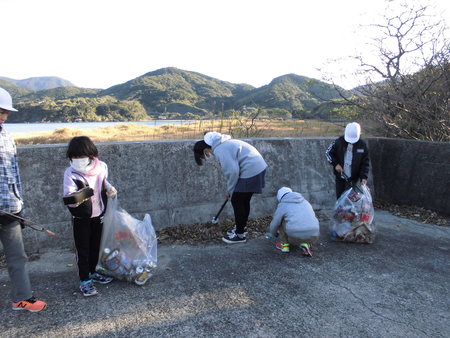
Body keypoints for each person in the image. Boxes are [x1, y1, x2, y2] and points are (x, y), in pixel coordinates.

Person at [0, 87, 47, 312]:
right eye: (0, 111)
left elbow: (14, 174)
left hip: (10, 207)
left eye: (5, 112)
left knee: (17, 256)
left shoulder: (7, 137)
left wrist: (20, 205)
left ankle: (22, 298)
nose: (3, 116)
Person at [63, 136, 117, 296]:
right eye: (74, 157)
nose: (78, 160)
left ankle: (93, 272)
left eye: (81, 156)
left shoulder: (101, 167)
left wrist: (110, 188)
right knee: (83, 249)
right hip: (81, 218)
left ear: (91, 155)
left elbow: (103, 182)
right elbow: (68, 197)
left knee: (95, 246)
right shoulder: (70, 173)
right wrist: (83, 195)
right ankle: (85, 280)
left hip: (98, 214)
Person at [193, 131, 267, 244]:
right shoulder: (225, 144)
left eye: (204, 155)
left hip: (251, 170)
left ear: (205, 149)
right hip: (257, 168)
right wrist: (231, 189)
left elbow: (232, 172)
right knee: (244, 201)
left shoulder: (220, 149)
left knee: (237, 201)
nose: (207, 156)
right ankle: (241, 227)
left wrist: (230, 190)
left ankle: (240, 234)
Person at [268, 187, 319, 257]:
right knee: (305, 219)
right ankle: (306, 243)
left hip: (296, 233)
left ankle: (284, 245)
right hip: (314, 233)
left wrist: (273, 233)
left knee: (280, 220)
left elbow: (275, 223)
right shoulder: (305, 201)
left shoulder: (282, 205)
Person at [325, 122, 370, 199]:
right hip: (341, 175)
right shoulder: (339, 142)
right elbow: (328, 153)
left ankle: (349, 210)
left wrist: (363, 177)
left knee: (351, 197)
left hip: (353, 177)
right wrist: (336, 164)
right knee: (340, 197)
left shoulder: (362, 145)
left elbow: (365, 162)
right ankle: (340, 210)